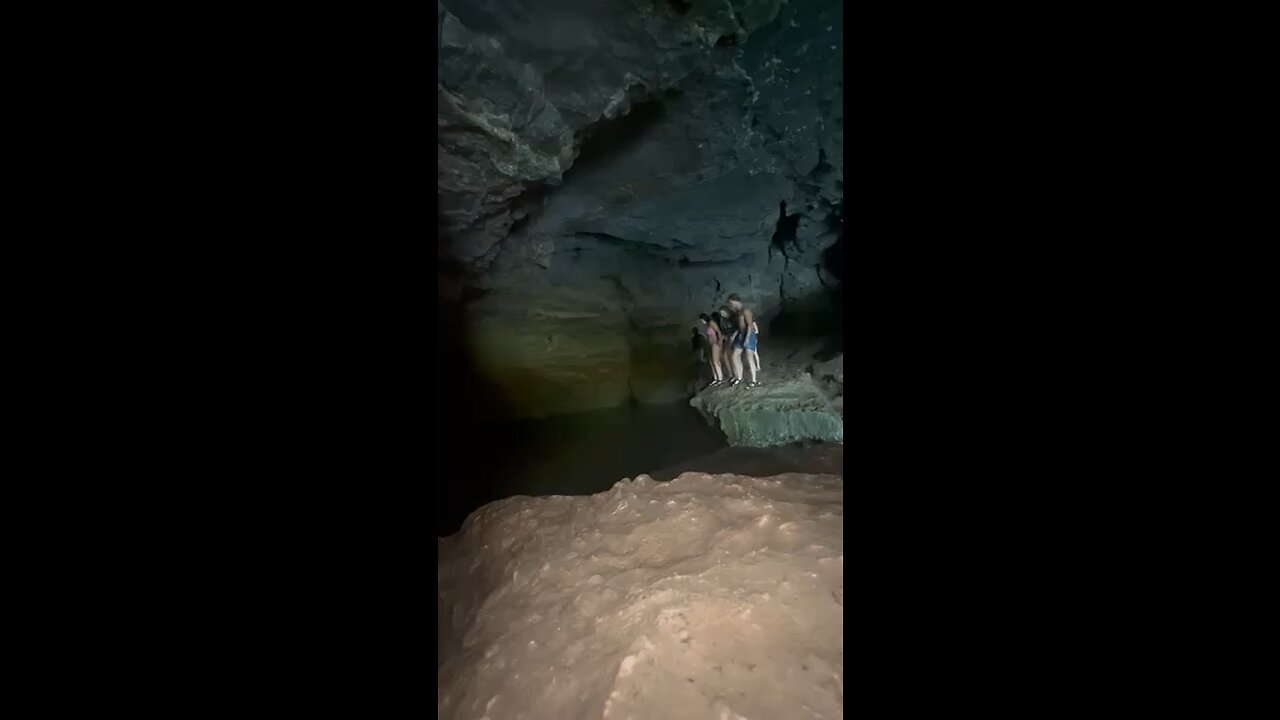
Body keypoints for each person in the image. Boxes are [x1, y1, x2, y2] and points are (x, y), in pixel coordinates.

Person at [727, 294, 761, 388]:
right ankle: (739, 377)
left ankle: (754, 381)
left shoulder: (746, 310)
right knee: (734, 356)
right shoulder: (739, 312)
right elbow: (740, 326)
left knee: (749, 357)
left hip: (749, 335)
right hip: (741, 335)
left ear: (735, 301)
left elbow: (749, 325)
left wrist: (747, 338)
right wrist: (735, 336)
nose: (730, 305)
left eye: (731, 303)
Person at [699, 313, 726, 386]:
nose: (702, 322)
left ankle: (720, 378)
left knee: (715, 361)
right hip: (711, 344)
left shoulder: (711, 323)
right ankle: (716, 378)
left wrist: (719, 341)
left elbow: (718, 331)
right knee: (711, 362)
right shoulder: (708, 325)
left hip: (715, 343)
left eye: (702, 320)